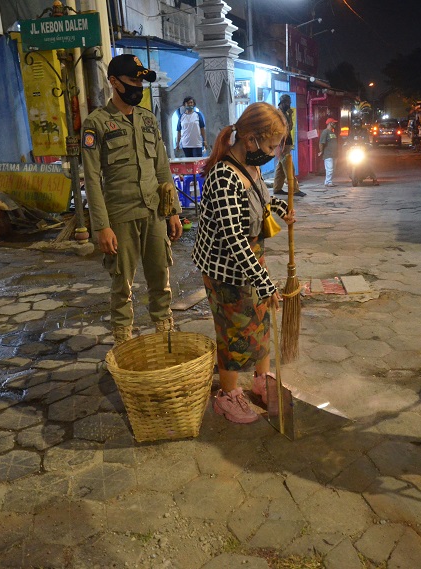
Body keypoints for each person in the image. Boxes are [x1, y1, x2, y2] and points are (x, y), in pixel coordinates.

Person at [192, 102, 296, 424]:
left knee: (261, 322)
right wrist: (265, 283)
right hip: (226, 268)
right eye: (268, 146)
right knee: (234, 331)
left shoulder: (250, 168)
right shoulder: (224, 176)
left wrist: (280, 208)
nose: (271, 153)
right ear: (249, 140)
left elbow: (261, 198)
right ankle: (227, 395)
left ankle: (261, 381)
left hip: (251, 258)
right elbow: (234, 239)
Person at [81, 54, 183, 345]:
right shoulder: (96, 124)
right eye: (132, 80)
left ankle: (165, 334)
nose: (138, 86)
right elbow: (92, 179)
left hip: (154, 213)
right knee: (122, 284)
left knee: (160, 278)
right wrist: (101, 226)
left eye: (141, 81)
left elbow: (162, 168)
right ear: (114, 82)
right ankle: (123, 340)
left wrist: (172, 211)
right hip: (120, 216)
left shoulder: (148, 120)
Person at [272, 94, 305, 197]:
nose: (289, 105)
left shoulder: (285, 113)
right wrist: (279, 145)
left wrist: (290, 116)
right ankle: (294, 189)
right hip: (282, 143)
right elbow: (278, 130)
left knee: (281, 167)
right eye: (288, 103)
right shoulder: (277, 114)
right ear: (282, 102)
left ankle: (277, 188)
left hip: (287, 142)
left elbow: (289, 128)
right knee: (288, 165)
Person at [318, 117, 339, 187]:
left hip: (334, 154)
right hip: (328, 154)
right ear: (330, 123)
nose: (335, 124)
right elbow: (321, 143)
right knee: (329, 169)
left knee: (332, 169)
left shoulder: (332, 132)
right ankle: (329, 182)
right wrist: (321, 151)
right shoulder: (325, 132)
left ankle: (327, 182)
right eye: (333, 123)